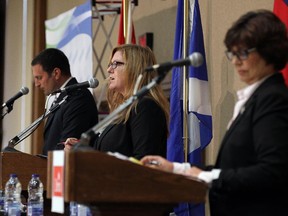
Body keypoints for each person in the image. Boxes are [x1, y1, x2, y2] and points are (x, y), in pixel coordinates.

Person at [141, 10, 288, 216]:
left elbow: (272, 172)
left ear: (270, 51)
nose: (236, 61)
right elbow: (233, 167)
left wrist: (206, 177)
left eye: (243, 53)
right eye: (232, 53)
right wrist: (177, 169)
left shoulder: (273, 99)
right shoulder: (255, 98)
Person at [65, 44, 170, 160]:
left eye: (116, 64)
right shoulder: (123, 109)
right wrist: (81, 150)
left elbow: (144, 161)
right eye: (110, 64)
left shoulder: (145, 107)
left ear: (135, 68)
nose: (109, 70)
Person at [31, 48, 98, 155]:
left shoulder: (78, 97)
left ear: (56, 73)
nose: (36, 84)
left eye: (39, 77)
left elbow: (68, 144)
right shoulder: (63, 96)